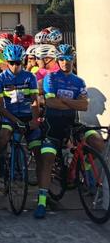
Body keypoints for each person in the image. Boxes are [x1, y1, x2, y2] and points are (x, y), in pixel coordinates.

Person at [35, 44, 102, 219]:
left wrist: (63, 100)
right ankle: (41, 201)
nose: (65, 62)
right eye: (62, 59)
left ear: (73, 60)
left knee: (97, 144)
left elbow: (85, 105)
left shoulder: (79, 81)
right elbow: (51, 103)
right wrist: (72, 102)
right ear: (58, 60)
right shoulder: (51, 79)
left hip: (71, 122)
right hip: (53, 124)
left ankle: (81, 168)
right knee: (48, 158)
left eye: (69, 59)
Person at [0, 45, 42, 183]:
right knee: (3, 137)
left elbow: (35, 101)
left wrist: (34, 119)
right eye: (11, 63)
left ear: (23, 61)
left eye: (18, 63)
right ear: (7, 62)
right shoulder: (0, 78)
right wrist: (15, 120)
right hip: (9, 115)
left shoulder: (30, 77)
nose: (15, 66)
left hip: (27, 115)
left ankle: (43, 187)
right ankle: (1, 158)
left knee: (38, 149)